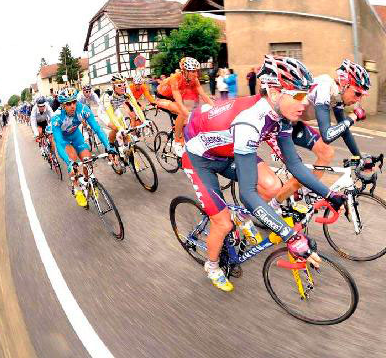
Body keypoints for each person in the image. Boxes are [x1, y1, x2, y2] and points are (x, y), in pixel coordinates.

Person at [182, 55, 345, 292]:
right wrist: (290, 236)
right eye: (298, 95)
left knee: (272, 186)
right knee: (223, 223)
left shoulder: (281, 115)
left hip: (230, 151)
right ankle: (212, 265)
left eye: (306, 95)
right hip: (201, 160)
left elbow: (296, 167)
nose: (305, 104)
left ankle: (244, 218)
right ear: (275, 91)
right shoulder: (250, 121)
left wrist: (330, 195)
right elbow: (247, 194)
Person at [270, 57, 369, 205]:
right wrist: (353, 117)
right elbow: (327, 135)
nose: (358, 99)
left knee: (327, 153)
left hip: (294, 123)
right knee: (300, 176)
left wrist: (358, 157)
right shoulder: (324, 86)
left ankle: (306, 191)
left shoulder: (337, 95)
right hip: (277, 125)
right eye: (357, 93)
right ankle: (273, 206)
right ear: (345, 84)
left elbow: (344, 130)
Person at [50, 88, 116, 207]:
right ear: (62, 105)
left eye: (74, 102)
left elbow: (97, 129)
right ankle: (76, 188)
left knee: (88, 160)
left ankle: (89, 181)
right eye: (68, 104)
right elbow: (59, 143)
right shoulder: (56, 117)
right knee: (73, 162)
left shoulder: (83, 109)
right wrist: (69, 162)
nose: (72, 106)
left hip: (76, 137)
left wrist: (108, 146)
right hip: (64, 141)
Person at [155, 57, 214, 157]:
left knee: (190, 115)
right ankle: (177, 141)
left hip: (173, 99)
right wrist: (187, 113)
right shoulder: (175, 78)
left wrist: (215, 107)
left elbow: (203, 95)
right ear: (185, 71)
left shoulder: (194, 79)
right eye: (193, 71)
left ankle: (182, 135)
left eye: (196, 71)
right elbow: (178, 99)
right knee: (183, 112)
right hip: (162, 99)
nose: (196, 74)